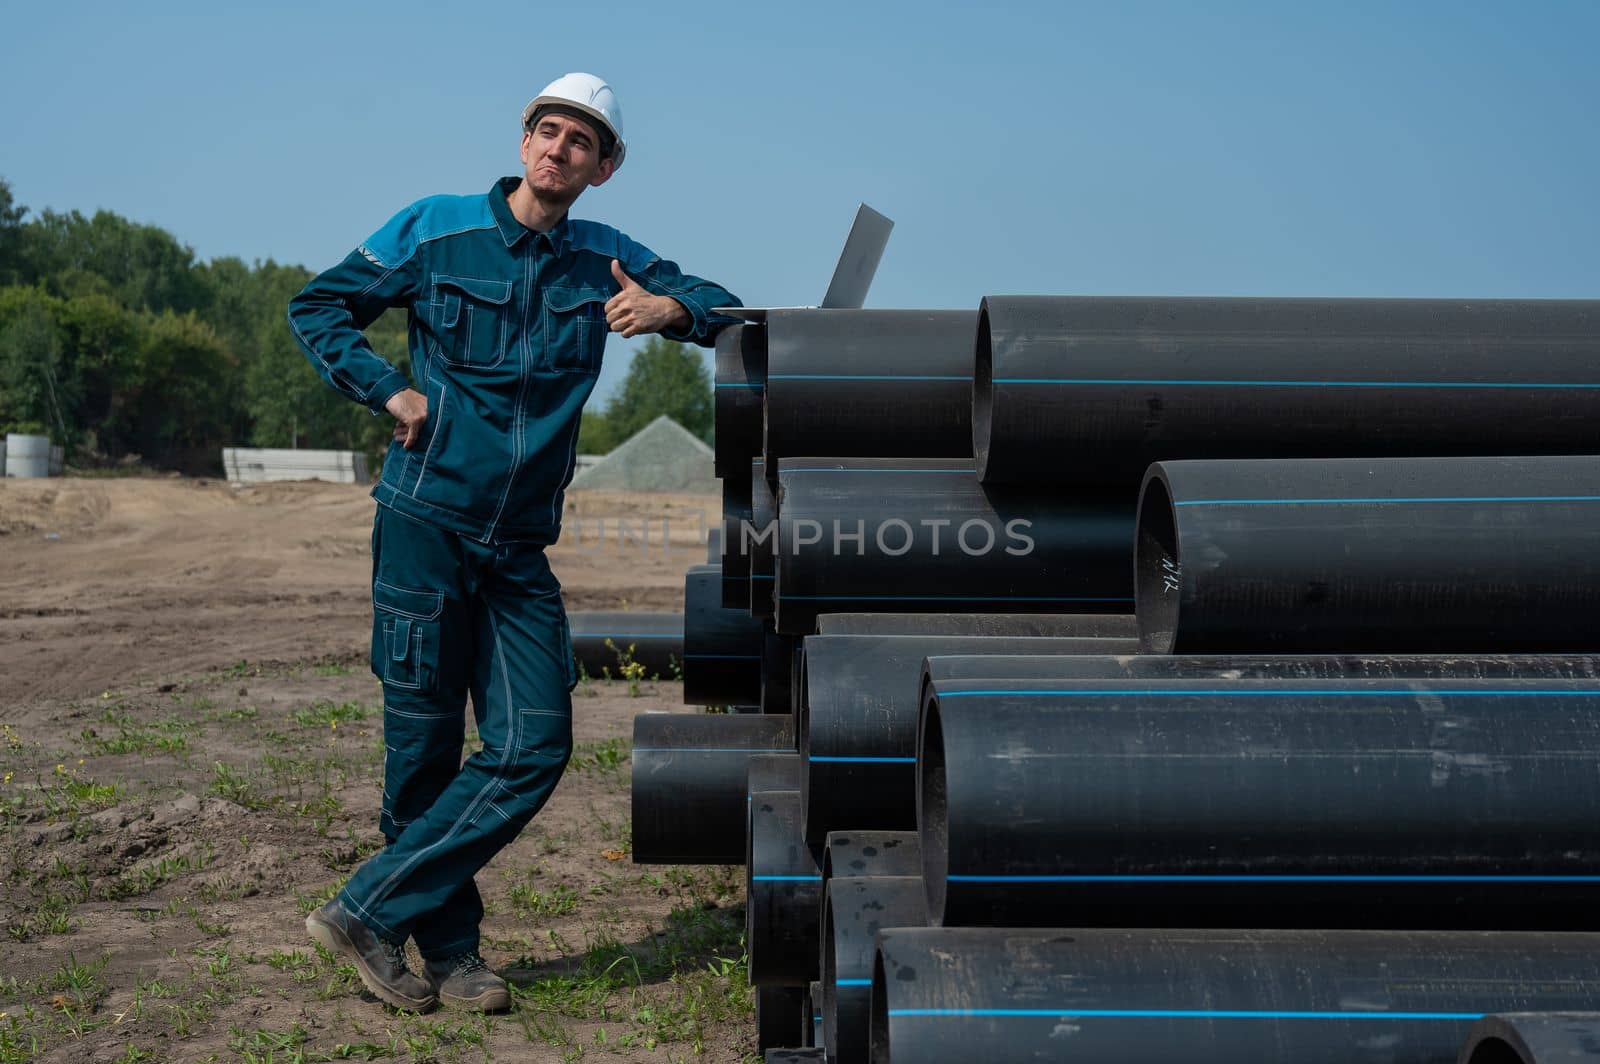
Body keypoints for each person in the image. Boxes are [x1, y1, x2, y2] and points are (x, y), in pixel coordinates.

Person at [287, 72, 740, 1013]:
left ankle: (365, 909)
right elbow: (317, 307)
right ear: (523, 139)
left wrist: (672, 311)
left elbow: (726, 307)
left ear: (604, 168)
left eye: (581, 141)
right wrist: (387, 389)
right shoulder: (436, 228)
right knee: (422, 754)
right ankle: (452, 957)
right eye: (547, 130)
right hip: (424, 525)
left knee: (534, 741)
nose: (558, 149)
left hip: (519, 549)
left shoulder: (606, 257)